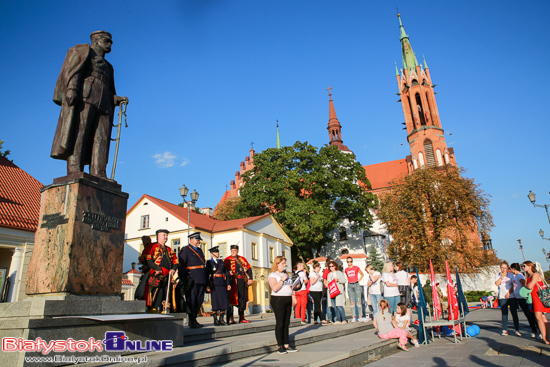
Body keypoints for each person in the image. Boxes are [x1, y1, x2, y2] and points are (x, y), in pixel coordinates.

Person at [51, 31, 128, 178]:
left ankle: (99, 172)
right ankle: (75, 169)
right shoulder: (83, 52)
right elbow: (73, 72)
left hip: (104, 103)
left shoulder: (109, 67)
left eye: (111, 41)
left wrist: (116, 98)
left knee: (102, 138)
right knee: (80, 133)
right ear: (96, 41)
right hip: (84, 97)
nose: (110, 44)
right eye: (106, 40)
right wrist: (72, 89)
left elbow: (109, 87)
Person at [268, 256, 299, 354]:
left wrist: (295, 286)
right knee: (280, 322)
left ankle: (287, 344)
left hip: (288, 298)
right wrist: (282, 280)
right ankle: (280, 345)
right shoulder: (273, 275)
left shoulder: (286, 275)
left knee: (286, 323)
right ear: (277, 264)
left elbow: (289, 286)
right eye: (282, 263)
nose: (284, 265)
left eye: (285, 263)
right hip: (278, 299)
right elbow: (274, 288)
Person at [145, 229, 178, 313]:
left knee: (166, 292)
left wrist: (173, 269)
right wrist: (157, 269)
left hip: (168, 275)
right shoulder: (152, 246)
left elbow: (176, 261)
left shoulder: (169, 249)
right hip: (156, 275)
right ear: (158, 236)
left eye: (166, 235)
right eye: (164, 235)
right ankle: (155, 308)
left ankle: (165, 308)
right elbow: (148, 260)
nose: (166, 237)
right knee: (157, 292)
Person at [178, 232, 207, 328]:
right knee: (192, 300)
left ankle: (194, 317)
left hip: (201, 278)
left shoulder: (199, 250)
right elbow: (182, 265)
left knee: (199, 300)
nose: (198, 242)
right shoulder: (185, 250)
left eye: (199, 240)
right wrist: (183, 278)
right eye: (196, 240)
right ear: (191, 239)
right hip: (191, 278)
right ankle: (191, 319)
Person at [224, 244, 253, 324]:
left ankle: (242, 317)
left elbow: (249, 269)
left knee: (242, 299)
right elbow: (223, 270)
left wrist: (250, 278)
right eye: (232, 251)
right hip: (232, 281)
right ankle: (230, 318)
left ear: (237, 251)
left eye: (235, 250)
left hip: (242, 281)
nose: (233, 252)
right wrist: (228, 273)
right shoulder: (227, 260)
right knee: (231, 299)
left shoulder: (242, 259)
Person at [523, 260, 550, 344]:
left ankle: (545, 337)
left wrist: (526, 285)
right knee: (542, 318)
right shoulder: (527, 277)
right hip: (533, 298)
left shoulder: (535, 275)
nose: (522, 268)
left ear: (530, 266)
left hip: (539, 297)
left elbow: (530, 286)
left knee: (538, 317)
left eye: (524, 266)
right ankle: (546, 336)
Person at [509, 263, 539, 338]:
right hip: (518, 297)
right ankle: (534, 330)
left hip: (523, 298)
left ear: (513, 269)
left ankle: (537, 330)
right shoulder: (516, 276)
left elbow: (525, 285)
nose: (522, 267)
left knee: (531, 315)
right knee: (528, 315)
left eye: (524, 266)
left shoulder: (519, 276)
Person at [206, 246, 231, 326]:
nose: (217, 253)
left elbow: (226, 273)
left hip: (222, 283)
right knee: (215, 302)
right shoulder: (209, 262)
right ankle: (215, 320)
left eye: (218, 252)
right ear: (212, 254)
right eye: (216, 252)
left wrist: (228, 283)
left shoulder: (221, 262)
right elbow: (206, 275)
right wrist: (207, 286)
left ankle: (221, 319)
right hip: (214, 283)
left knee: (223, 301)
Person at [494, 261, 520, 336]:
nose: (503, 269)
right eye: (502, 268)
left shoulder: (511, 275)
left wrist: (509, 292)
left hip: (511, 296)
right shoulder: (498, 275)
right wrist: (502, 276)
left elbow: (513, 284)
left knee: (514, 312)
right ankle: (505, 329)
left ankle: (517, 329)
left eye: (505, 268)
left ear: (507, 268)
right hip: (502, 297)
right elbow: (497, 283)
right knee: (504, 313)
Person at [344, 257, 365, 322]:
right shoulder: (346, 269)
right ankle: (353, 317)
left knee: (358, 301)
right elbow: (347, 276)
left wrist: (358, 280)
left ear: (352, 261)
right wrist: (349, 280)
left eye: (350, 261)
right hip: (350, 285)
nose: (349, 263)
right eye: (348, 262)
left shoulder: (356, 267)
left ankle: (360, 316)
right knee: (352, 302)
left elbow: (362, 274)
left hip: (356, 284)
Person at [327, 260, 347, 324]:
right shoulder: (329, 274)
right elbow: (328, 283)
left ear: (335, 266)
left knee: (339, 305)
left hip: (338, 291)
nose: (331, 267)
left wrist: (338, 280)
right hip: (332, 291)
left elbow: (344, 280)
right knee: (335, 306)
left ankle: (344, 319)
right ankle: (338, 319)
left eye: (332, 266)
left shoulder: (339, 272)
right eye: (330, 266)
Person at [322, 257, 334, 324]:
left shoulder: (331, 271)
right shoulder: (326, 271)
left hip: (332, 289)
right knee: (327, 304)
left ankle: (332, 317)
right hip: (327, 290)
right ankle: (329, 318)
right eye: (330, 263)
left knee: (331, 304)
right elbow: (324, 281)